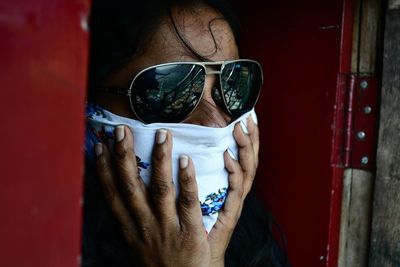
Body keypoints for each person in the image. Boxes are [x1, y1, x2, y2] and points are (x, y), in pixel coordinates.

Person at [83, 0, 290, 266]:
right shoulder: (42, 236)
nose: (216, 123)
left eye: (234, 84)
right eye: (169, 93)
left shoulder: (254, 240)